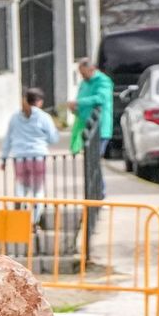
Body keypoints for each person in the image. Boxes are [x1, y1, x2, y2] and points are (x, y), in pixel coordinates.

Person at [67, 58, 114, 255]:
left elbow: (101, 98)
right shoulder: (85, 83)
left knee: (95, 163)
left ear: (91, 68)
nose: (81, 75)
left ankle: (100, 194)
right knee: (92, 163)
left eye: (82, 71)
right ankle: (99, 193)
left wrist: (78, 102)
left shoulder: (102, 81)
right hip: (86, 125)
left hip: (100, 129)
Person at [0, 88, 59, 201]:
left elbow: (8, 139)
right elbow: (53, 139)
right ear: (40, 102)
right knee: (38, 190)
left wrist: (3, 158)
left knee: (21, 187)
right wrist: (43, 137)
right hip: (38, 155)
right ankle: (35, 217)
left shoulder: (15, 117)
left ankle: (21, 214)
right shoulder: (44, 117)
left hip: (19, 156)